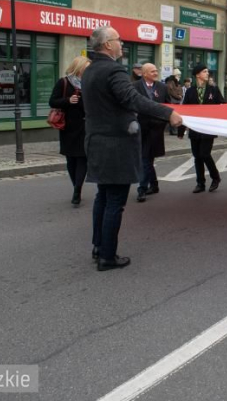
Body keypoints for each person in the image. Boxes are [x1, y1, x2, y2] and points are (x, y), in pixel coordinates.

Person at [82, 26, 182, 271]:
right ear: (107, 45)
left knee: (103, 197)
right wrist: (168, 112)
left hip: (96, 141)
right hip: (116, 144)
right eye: (118, 39)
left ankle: (98, 246)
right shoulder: (113, 70)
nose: (121, 43)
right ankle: (107, 256)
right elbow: (133, 99)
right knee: (115, 201)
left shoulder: (89, 70)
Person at [49, 56, 91, 207]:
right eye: (86, 67)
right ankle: (75, 186)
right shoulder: (64, 82)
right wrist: (68, 100)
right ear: (78, 67)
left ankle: (77, 190)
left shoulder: (90, 83)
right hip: (68, 127)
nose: (88, 70)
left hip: (86, 126)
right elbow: (52, 101)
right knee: (71, 159)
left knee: (83, 158)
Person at [182, 63, 224, 193]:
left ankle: (215, 177)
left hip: (208, 128)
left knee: (205, 154)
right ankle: (200, 183)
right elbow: (184, 111)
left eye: (207, 71)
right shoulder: (190, 91)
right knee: (197, 156)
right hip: (194, 128)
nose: (207, 74)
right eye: (205, 71)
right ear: (197, 74)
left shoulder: (213, 90)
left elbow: (222, 106)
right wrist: (181, 130)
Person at [133, 63, 170, 203]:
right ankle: (142, 188)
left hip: (156, 129)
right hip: (140, 128)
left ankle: (153, 185)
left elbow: (168, 105)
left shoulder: (162, 87)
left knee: (148, 159)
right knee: (144, 158)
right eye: (152, 71)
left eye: (156, 70)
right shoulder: (135, 86)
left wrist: (164, 123)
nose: (156, 73)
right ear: (144, 73)